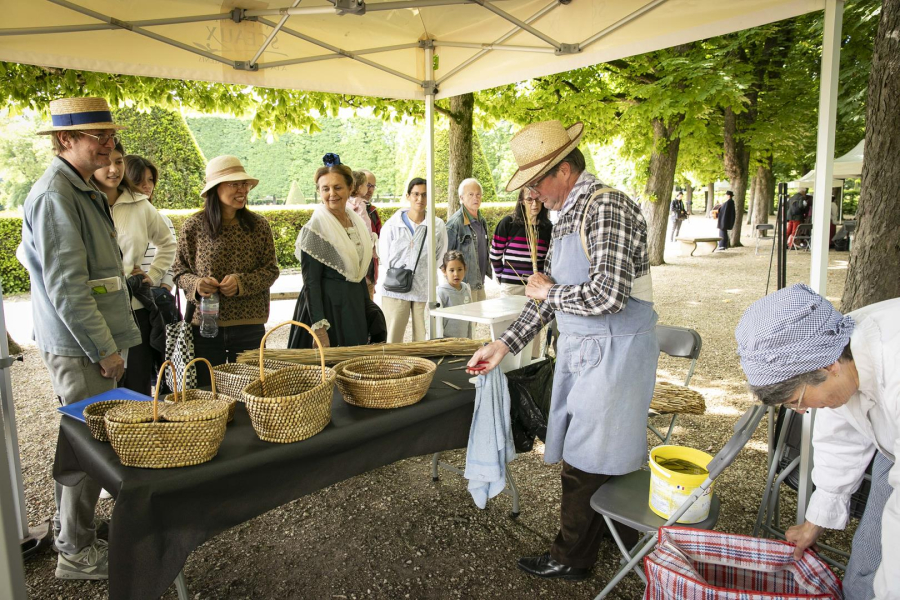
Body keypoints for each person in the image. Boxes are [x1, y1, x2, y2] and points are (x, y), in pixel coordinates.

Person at [466, 120, 658, 580]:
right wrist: (502, 345)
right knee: (600, 451)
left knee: (587, 457)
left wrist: (549, 293)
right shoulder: (571, 213)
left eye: (537, 180)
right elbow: (545, 300)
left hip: (616, 351)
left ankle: (573, 557)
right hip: (588, 350)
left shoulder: (605, 205)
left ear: (566, 170)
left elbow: (608, 295)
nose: (533, 192)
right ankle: (623, 541)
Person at [21, 97, 142, 580]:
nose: (109, 144)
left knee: (87, 442)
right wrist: (105, 350)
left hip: (90, 340)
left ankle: (77, 532)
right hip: (83, 346)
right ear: (65, 139)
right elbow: (68, 288)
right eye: (99, 136)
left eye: (110, 134)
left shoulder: (78, 187)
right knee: (87, 446)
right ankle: (74, 551)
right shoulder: (57, 195)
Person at [735, 284, 898, 600]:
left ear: (827, 366)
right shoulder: (836, 353)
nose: (803, 410)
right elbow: (840, 440)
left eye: (798, 400)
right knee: (868, 560)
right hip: (891, 449)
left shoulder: (893, 361)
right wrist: (815, 522)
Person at [172, 155, 279, 386]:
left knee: (251, 389)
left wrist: (241, 283)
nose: (242, 189)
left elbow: (271, 270)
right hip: (206, 327)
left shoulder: (259, 226)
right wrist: (197, 285)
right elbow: (179, 271)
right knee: (208, 390)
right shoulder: (193, 226)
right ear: (215, 189)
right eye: (234, 184)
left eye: (244, 184)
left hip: (249, 324)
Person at [92, 142, 176, 396]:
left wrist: (151, 276)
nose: (113, 168)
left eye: (118, 161)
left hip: (135, 309)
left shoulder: (140, 204)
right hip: (94, 310)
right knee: (99, 392)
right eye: (106, 161)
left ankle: (139, 436)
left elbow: (168, 243)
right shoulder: (81, 202)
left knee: (137, 389)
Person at [288, 158, 385, 349]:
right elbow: (311, 283)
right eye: (325, 189)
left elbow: (358, 273)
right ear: (319, 192)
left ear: (350, 188)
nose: (332, 194)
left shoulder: (356, 222)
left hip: (353, 306)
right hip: (326, 312)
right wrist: (319, 329)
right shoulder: (315, 230)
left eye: (337, 187)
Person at [379, 177, 448, 343]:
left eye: (424, 195)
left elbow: (440, 254)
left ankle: (422, 367)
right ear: (408, 196)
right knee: (393, 336)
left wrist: (424, 271)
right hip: (395, 287)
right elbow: (385, 254)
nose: (420, 199)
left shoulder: (437, 225)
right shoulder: (392, 225)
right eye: (416, 194)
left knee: (423, 337)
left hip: (424, 287)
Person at [490, 188, 552, 295]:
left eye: (538, 199)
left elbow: (549, 261)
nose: (534, 204)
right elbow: (495, 255)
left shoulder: (547, 228)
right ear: (522, 201)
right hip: (511, 286)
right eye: (529, 199)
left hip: (536, 287)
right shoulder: (508, 223)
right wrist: (502, 277)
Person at [446, 178, 492, 302]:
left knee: (476, 320)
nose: (475, 198)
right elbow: (444, 258)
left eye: (478, 194)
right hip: (463, 285)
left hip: (479, 282)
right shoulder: (455, 223)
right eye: (470, 194)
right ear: (461, 198)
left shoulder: (481, 220)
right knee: (464, 321)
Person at [437, 250, 474, 338]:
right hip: (447, 343)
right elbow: (437, 322)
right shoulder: (441, 292)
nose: (456, 274)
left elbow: (470, 318)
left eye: (460, 269)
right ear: (444, 271)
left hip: (464, 340)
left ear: (465, 268)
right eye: (451, 270)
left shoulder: (466, 289)